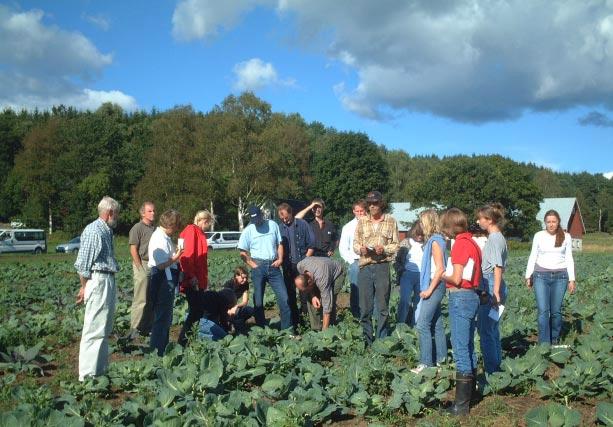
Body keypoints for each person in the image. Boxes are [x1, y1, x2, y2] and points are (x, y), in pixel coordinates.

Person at [441, 208, 482, 416]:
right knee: (468, 345)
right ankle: (470, 396)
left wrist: (441, 275)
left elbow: (456, 278)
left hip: (461, 297)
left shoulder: (459, 246)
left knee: (460, 348)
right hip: (472, 296)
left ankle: (460, 406)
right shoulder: (473, 243)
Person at [74, 196, 120, 381]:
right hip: (98, 279)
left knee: (103, 327)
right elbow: (83, 263)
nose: (117, 217)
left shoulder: (106, 230)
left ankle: (99, 371)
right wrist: (84, 287)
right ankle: (87, 375)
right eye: (116, 213)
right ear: (110, 213)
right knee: (94, 328)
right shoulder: (94, 231)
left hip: (106, 279)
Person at [353, 191, 399, 345]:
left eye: (375, 203)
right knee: (365, 307)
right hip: (365, 267)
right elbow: (355, 244)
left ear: (381, 203)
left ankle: (381, 340)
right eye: (370, 203)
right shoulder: (362, 222)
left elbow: (396, 244)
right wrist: (361, 249)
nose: (372, 206)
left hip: (382, 267)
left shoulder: (391, 221)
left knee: (383, 306)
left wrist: (384, 249)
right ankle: (367, 341)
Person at [525, 209, 576, 346]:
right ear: (545, 223)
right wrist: (528, 275)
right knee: (543, 311)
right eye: (548, 222)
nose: (551, 224)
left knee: (556, 312)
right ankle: (544, 343)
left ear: (558, 222)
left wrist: (572, 279)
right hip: (541, 276)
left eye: (554, 221)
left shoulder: (566, 236)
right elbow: (533, 255)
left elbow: (569, 258)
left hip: (560, 277)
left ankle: (554, 339)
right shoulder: (539, 236)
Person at [238, 206, 291, 330]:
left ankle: (288, 330)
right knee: (258, 301)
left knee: (284, 298)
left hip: (274, 266)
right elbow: (242, 252)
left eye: (257, 218)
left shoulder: (272, 225)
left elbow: (279, 243)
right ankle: (261, 330)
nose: (256, 221)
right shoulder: (248, 230)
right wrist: (254, 265)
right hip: (258, 266)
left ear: (261, 215)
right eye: (253, 220)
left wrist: (280, 259)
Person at [412, 210, 448, 373]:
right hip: (437, 285)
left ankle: (426, 363)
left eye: (422, 221)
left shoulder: (434, 242)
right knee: (437, 324)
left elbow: (440, 269)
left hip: (435, 285)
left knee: (422, 324)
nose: (420, 224)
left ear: (428, 223)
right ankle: (442, 361)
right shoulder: (439, 240)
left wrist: (428, 290)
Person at [476, 203, 508, 374]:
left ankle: (491, 371)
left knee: (486, 331)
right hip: (494, 284)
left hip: (491, 284)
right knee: (492, 329)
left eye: (481, 218)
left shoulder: (495, 238)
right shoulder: (497, 237)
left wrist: (495, 292)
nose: (478, 221)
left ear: (489, 220)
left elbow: (497, 266)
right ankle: (496, 365)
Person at [147, 209, 183, 356]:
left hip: (165, 279)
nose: (176, 229)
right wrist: (177, 257)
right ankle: (157, 351)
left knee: (165, 317)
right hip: (162, 280)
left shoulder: (164, 237)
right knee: (162, 317)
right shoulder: (159, 239)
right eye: (176, 226)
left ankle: (162, 348)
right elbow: (161, 265)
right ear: (171, 225)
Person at [177, 210, 214, 346]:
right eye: (208, 224)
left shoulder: (197, 232)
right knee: (196, 311)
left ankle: (187, 340)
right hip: (192, 280)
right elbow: (187, 255)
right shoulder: (192, 231)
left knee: (197, 311)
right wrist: (191, 276)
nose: (207, 227)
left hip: (197, 279)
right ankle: (183, 342)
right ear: (204, 221)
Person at [277, 202, 315, 329]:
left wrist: (305, 262)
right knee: (290, 295)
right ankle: (295, 322)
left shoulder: (302, 224)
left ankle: (307, 321)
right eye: (281, 218)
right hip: (288, 266)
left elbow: (311, 244)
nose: (284, 220)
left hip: (302, 264)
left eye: (286, 217)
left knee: (304, 294)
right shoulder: (279, 228)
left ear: (291, 213)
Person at [127, 201, 155, 340]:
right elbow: (133, 249)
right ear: (142, 213)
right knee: (141, 299)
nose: (153, 213)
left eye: (153, 211)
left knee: (150, 299)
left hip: (153, 265)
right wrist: (139, 268)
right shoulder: (137, 228)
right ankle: (134, 329)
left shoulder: (154, 229)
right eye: (150, 211)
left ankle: (146, 327)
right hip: (142, 264)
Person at [295, 257, 346, 330]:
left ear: (309, 283)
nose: (303, 292)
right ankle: (316, 328)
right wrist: (313, 296)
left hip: (337, 273)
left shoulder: (322, 279)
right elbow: (309, 289)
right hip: (321, 269)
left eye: (304, 290)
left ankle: (330, 328)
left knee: (330, 300)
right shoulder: (300, 266)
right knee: (311, 299)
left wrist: (324, 334)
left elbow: (327, 306)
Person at [339, 199, 367, 318]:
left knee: (371, 289)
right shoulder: (348, 227)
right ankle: (356, 315)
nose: (360, 213)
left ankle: (369, 314)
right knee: (356, 289)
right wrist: (352, 262)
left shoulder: (372, 224)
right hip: (356, 261)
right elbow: (343, 248)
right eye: (357, 211)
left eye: (362, 211)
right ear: (353, 211)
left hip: (371, 261)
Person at [395, 221, 425, 327]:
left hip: (422, 276)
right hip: (407, 275)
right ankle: (400, 325)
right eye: (418, 234)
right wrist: (399, 274)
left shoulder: (427, 244)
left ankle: (415, 325)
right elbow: (398, 259)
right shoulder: (406, 242)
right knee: (405, 300)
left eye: (422, 234)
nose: (420, 237)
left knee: (419, 301)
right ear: (413, 232)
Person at [224, 266, 255, 334]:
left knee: (250, 310)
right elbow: (223, 302)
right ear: (236, 276)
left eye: (246, 278)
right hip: (225, 309)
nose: (245, 280)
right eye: (243, 278)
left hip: (234, 308)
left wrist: (236, 306)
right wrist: (229, 310)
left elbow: (245, 301)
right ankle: (231, 324)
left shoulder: (245, 284)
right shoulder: (229, 284)